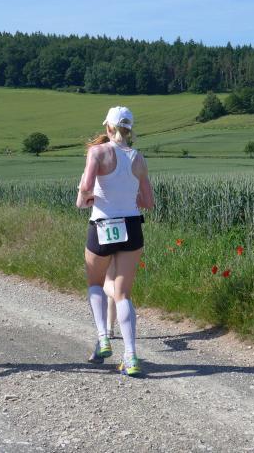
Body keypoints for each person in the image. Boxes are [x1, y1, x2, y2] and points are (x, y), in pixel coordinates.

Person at [77, 106, 154, 377]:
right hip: (131, 226)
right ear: (130, 130)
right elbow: (148, 202)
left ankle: (103, 338)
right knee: (123, 294)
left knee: (95, 283)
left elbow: (86, 187)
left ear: (108, 128)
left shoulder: (97, 152)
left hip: (102, 224)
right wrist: (127, 197)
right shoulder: (138, 158)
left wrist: (89, 198)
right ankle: (131, 356)